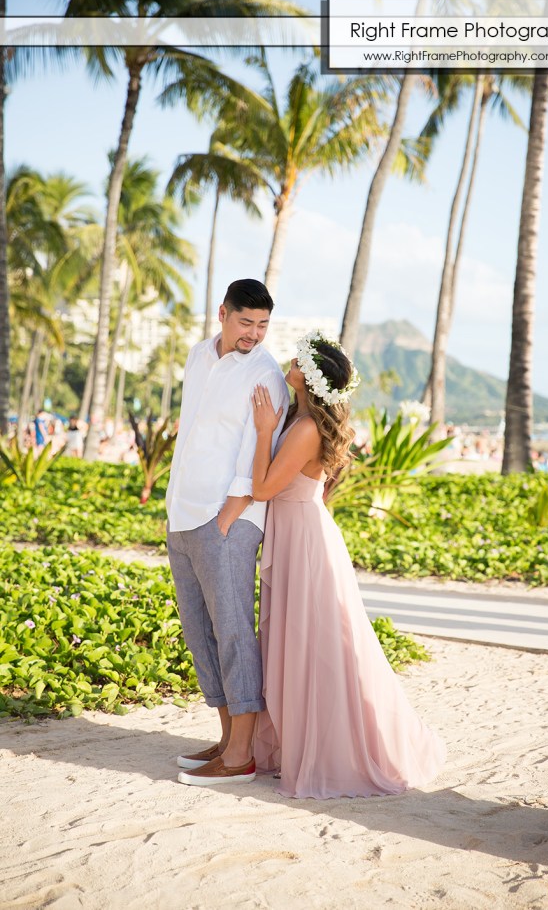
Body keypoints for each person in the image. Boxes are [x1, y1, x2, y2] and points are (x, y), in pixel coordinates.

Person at [250, 330, 445, 799]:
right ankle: (293, 744)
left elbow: (262, 490)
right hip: (305, 533)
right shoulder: (303, 420)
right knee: (306, 642)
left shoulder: (304, 429)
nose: (288, 362)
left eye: (298, 360)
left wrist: (261, 432)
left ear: (310, 378)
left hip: (304, 540)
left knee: (316, 646)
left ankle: (327, 751)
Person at [170, 279, 289, 787]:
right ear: (223, 313)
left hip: (227, 520)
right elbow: (190, 430)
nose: (254, 334)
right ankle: (225, 741)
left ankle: (241, 755)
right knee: (200, 633)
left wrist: (230, 512)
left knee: (235, 631)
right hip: (183, 512)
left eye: (262, 325)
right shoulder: (199, 356)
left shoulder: (266, 372)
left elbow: (254, 449)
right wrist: (173, 503)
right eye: (246, 322)